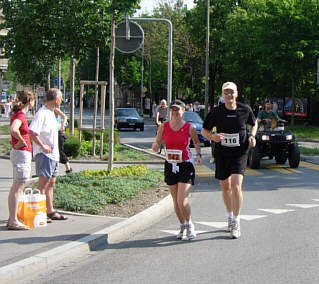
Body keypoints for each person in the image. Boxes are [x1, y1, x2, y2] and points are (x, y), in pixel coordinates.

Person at [201, 82, 258, 239]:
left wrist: (252, 136)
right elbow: (204, 131)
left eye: (232, 92)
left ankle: (236, 220)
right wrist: (213, 137)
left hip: (240, 152)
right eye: (226, 92)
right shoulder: (216, 112)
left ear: (236, 93)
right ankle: (230, 214)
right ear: (222, 95)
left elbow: (254, 124)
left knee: (236, 186)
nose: (229, 95)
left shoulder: (244, 109)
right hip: (222, 153)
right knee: (225, 187)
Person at [152, 99, 202, 240]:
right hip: (170, 164)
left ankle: (190, 225)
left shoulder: (189, 127)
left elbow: (196, 142)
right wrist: (155, 146)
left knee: (182, 200)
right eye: (172, 109)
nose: (174, 112)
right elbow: (157, 141)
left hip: (185, 164)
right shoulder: (164, 126)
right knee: (175, 200)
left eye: (177, 109)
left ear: (183, 111)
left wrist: (198, 155)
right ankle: (182, 225)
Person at [29, 88, 68, 222]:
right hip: (44, 155)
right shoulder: (42, 113)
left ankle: (50, 210)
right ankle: (37, 212)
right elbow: (32, 132)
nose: (62, 101)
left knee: (51, 183)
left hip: (53, 155)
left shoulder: (51, 112)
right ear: (56, 99)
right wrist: (43, 146)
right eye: (61, 98)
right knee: (42, 184)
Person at [7, 90, 35, 230]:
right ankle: (13, 220)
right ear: (30, 101)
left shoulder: (17, 115)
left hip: (19, 153)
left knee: (16, 186)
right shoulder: (21, 116)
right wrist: (22, 142)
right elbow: (13, 129)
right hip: (22, 153)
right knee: (18, 187)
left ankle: (12, 217)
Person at [54, 108, 72, 173]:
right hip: (51, 133)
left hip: (58, 132)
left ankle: (68, 168)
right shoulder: (45, 109)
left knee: (60, 150)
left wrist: (62, 125)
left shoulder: (54, 108)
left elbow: (65, 117)